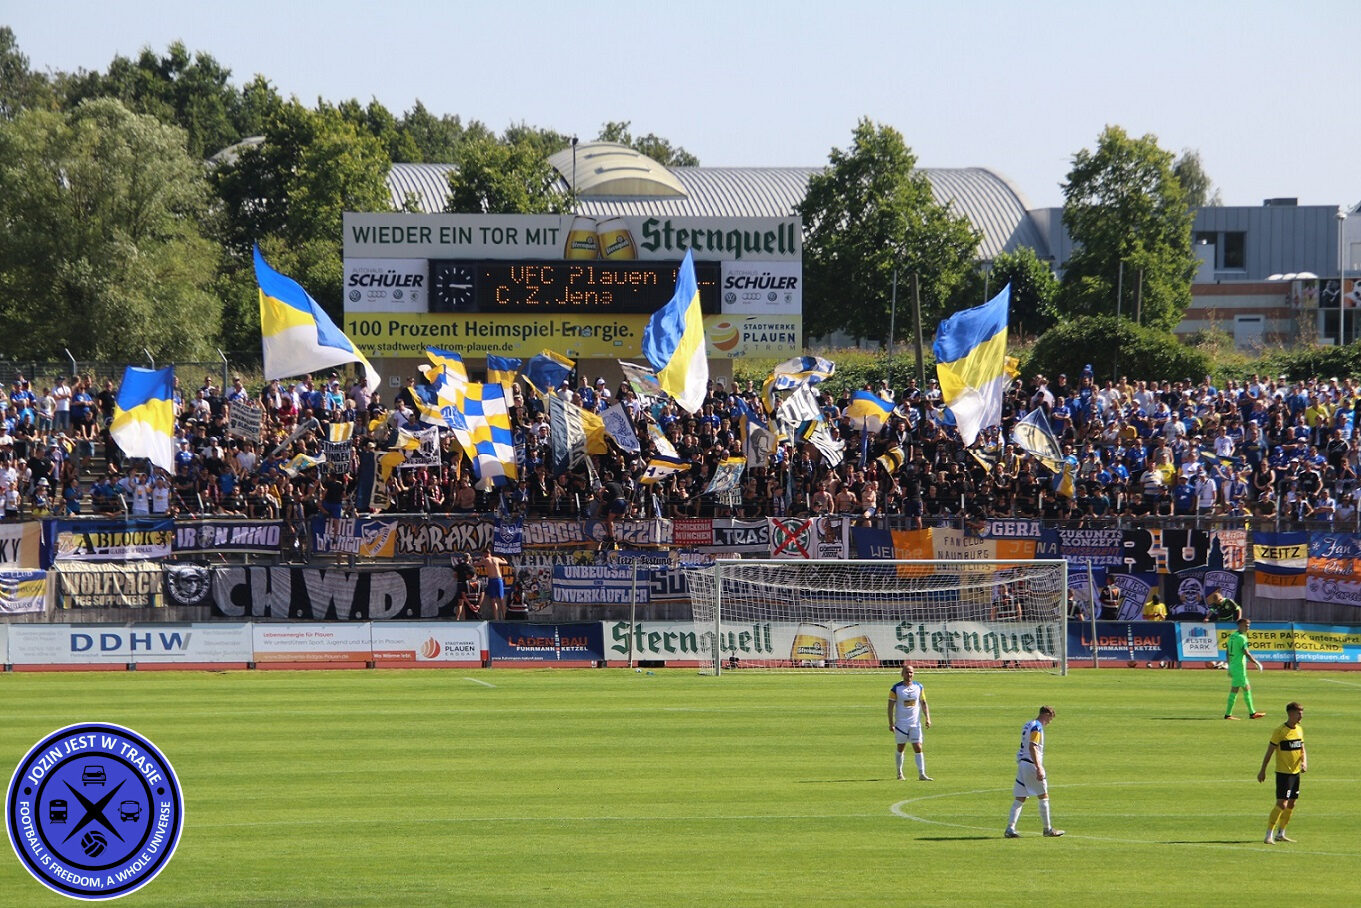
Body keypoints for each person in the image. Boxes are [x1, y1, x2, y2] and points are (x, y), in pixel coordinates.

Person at [1005, 705, 1063, 838]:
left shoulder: (1028, 724)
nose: (1049, 722)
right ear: (1047, 714)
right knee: (1043, 795)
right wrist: (1039, 767)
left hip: (1022, 764)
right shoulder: (1037, 727)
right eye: (1050, 718)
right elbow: (1033, 747)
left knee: (1020, 798)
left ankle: (1010, 828)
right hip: (1031, 764)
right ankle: (1047, 829)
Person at [1257, 701, 1307, 844]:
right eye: (1298, 713)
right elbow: (1269, 751)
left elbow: (1302, 748)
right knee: (1282, 803)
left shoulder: (1299, 729)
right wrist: (1262, 770)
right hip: (1283, 773)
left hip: (1296, 773)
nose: (1301, 716)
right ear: (1291, 714)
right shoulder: (1280, 731)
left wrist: (1304, 762)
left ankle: (1281, 833)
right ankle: (1268, 834)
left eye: (1301, 713)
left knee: (1292, 804)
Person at [886, 665, 932, 781]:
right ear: (902, 674)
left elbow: (923, 702)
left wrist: (928, 718)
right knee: (901, 747)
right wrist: (891, 723)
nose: (909, 674)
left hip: (915, 723)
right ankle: (899, 772)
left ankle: (922, 774)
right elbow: (890, 707)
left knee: (918, 746)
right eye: (907, 672)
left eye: (911, 672)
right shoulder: (896, 689)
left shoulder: (919, 687)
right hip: (901, 724)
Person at [1224, 617, 1266, 720]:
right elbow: (1246, 653)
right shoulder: (1242, 638)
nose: (1248, 627)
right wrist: (1257, 663)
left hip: (1234, 666)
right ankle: (1229, 715)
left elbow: (1227, 652)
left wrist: (1229, 666)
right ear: (1240, 625)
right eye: (1246, 625)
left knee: (1244, 688)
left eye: (1249, 626)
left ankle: (1252, 713)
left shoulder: (1232, 636)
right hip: (1239, 667)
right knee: (1237, 690)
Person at [477, 548, 509, 621]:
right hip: (499, 579)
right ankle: (504, 617)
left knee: (493, 600)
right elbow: (505, 562)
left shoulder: (486, 560)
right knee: (501, 599)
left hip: (492, 580)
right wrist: (503, 558)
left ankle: (496, 618)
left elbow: (476, 564)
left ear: (485, 554)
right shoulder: (496, 559)